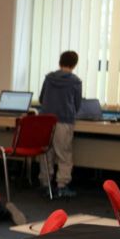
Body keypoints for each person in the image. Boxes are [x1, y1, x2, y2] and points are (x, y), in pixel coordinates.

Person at [39, 50, 82, 198]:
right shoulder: (75, 82)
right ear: (74, 64)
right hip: (64, 121)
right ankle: (62, 186)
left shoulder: (49, 78)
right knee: (64, 155)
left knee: (46, 153)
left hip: (46, 120)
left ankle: (46, 183)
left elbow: (41, 99)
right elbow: (77, 104)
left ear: (60, 62)